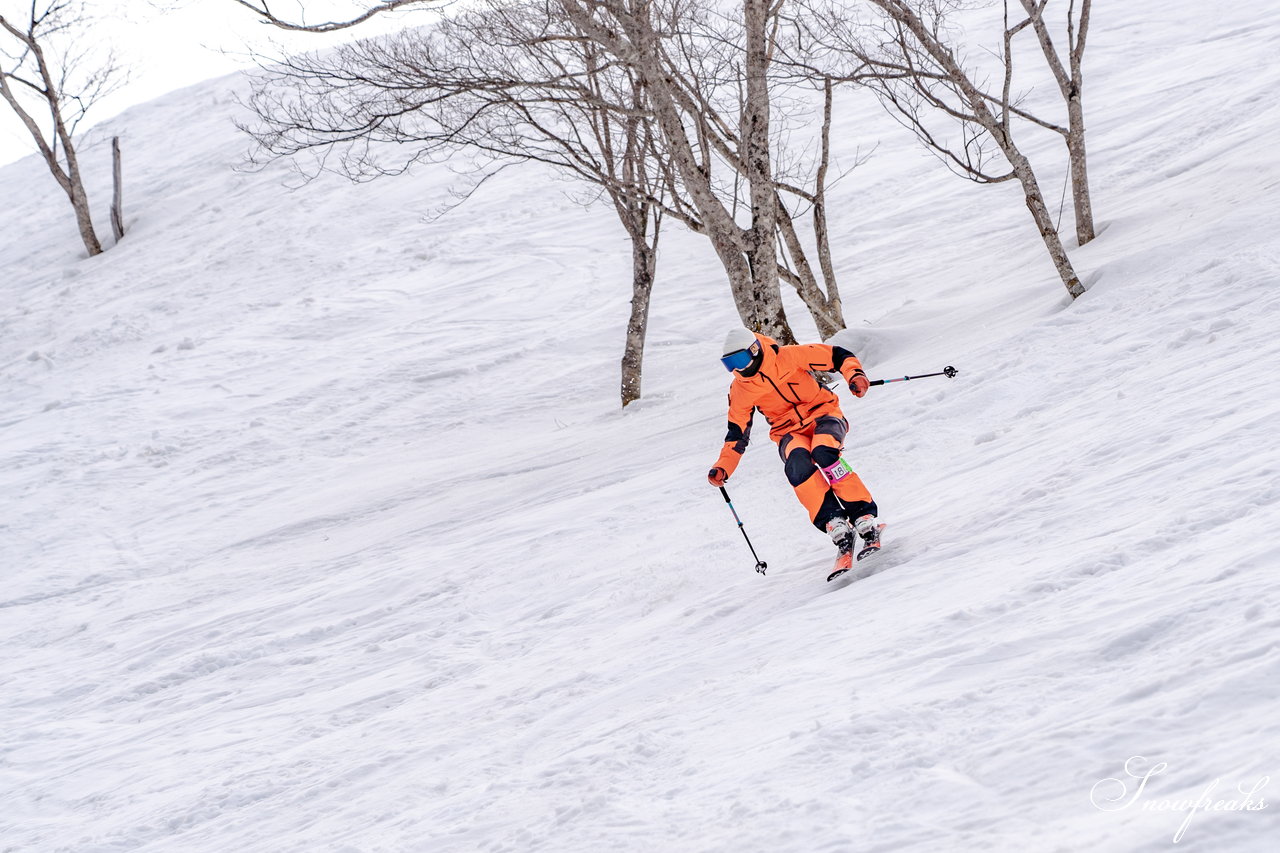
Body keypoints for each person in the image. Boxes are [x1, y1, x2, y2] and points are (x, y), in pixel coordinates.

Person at [708, 327, 880, 578]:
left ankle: (863, 514)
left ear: (754, 350)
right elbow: (737, 434)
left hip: (824, 414)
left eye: (740, 360)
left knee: (823, 451)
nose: (738, 368)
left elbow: (838, 355)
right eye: (729, 364)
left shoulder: (789, 356)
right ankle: (835, 523)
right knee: (797, 464)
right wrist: (723, 466)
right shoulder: (740, 390)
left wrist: (855, 375)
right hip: (787, 431)